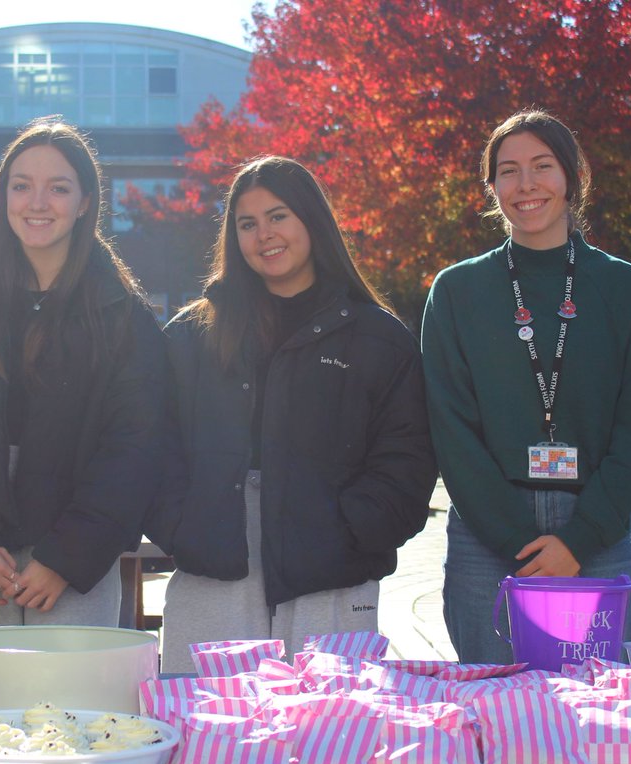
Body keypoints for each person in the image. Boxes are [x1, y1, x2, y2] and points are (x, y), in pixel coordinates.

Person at [150, 156, 437, 673]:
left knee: (329, 739)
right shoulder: (193, 334)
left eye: (278, 216)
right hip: (215, 559)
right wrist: (181, 527)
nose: (265, 234)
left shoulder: (378, 338)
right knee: (210, 735)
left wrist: (353, 528)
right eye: (247, 223)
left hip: (330, 565)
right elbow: (155, 443)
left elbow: (407, 459)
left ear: (312, 219)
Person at [0, 118, 166, 639]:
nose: (37, 202)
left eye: (58, 188)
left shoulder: (121, 316)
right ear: (3, 197)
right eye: (21, 186)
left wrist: (66, 557)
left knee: (71, 716)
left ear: (86, 201)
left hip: (73, 566)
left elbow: (134, 449)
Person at [421, 109, 631, 664]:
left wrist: (578, 540)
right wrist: (516, 540)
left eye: (542, 166)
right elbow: (450, 428)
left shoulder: (626, 288)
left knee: (596, 708)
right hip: (488, 531)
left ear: (571, 178)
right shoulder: (457, 291)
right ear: (491, 187)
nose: (526, 184)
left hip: (600, 528)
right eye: (507, 171)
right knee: (495, 702)